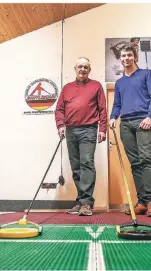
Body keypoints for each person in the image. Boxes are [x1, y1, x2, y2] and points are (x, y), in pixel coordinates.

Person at [109, 45, 151, 217]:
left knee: (146, 159)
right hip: (125, 124)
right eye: (123, 56)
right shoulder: (119, 82)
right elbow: (117, 104)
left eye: (129, 55)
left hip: (143, 121)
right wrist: (112, 117)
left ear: (135, 57)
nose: (126, 58)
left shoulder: (146, 74)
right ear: (120, 58)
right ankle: (143, 202)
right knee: (135, 163)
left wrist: (149, 116)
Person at [54, 57, 107, 216]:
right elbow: (59, 109)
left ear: (89, 70)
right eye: (79, 67)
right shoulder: (67, 88)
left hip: (89, 129)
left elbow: (103, 109)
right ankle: (81, 200)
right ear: (75, 69)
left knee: (87, 163)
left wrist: (102, 129)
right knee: (76, 166)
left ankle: (86, 203)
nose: (82, 69)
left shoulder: (96, 86)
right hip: (70, 130)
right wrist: (60, 125)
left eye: (85, 67)